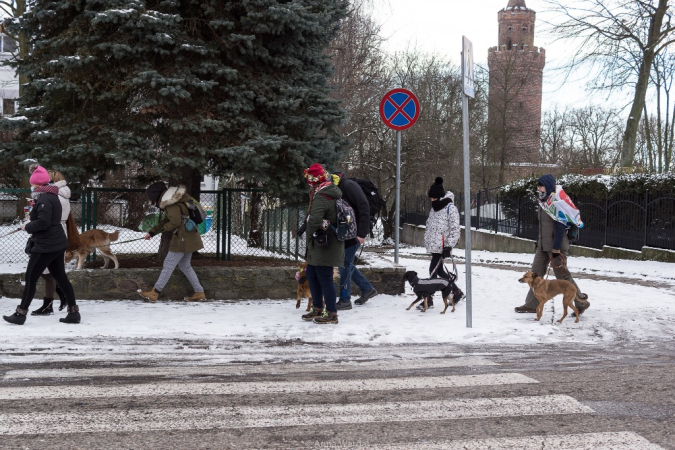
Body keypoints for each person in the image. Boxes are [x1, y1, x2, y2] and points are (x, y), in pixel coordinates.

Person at [3, 166, 80, 325]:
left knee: (31, 277)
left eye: (32, 184)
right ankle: (73, 313)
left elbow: (44, 223)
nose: (31, 187)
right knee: (60, 277)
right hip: (56, 242)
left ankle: (20, 314)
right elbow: (51, 220)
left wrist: (28, 226)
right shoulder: (53, 196)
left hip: (46, 244)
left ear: (37, 185)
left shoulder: (44, 199)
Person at [514, 174, 590, 315]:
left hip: (557, 246)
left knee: (563, 276)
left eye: (541, 185)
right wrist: (540, 242)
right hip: (543, 245)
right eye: (538, 185)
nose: (538, 188)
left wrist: (556, 248)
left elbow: (560, 227)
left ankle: (581, 302)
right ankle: (532, 304)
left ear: (548, 186)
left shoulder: (556, 202)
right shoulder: (543, 201)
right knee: (535, 273)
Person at [138, 182, 206, 302]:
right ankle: (199, 292)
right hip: (189, 235)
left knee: (168, 264)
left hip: (182, 237)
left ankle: (155, 293)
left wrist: (163, 230)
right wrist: (152, 232)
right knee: (185, 265)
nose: (152, 202)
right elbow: (166, 220)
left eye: (151, 199)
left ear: (155, 196)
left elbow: (174, 222)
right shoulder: (172, 201)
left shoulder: (170, 203)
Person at [299, 164, 344, 324]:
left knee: (324, 278)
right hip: (323, 242)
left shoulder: (322, 195)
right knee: (311, 273)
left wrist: (309, 233)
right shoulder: (326, 192)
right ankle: (317, 308)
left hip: (324, 243)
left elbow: (316, 219)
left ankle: (332, 313)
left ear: (314, 181)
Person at [31, 168, 73, 316]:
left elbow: (47, 219)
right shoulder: (58, 195)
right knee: (51, 271)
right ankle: (61, 297)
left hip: (51, 236)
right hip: (54, 234)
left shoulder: (54, 196)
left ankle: (52, 301)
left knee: (48, 272)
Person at [333, 172, 378, 310]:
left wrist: (361, 233)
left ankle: (345, 299)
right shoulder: (339, 187)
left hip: (354, 233)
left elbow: (364, 208)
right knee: (345, 263)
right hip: (346, 232)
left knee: (344, 264)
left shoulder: (349, 186)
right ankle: (366, 288)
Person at [423, 177, 464, 308]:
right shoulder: (434, 208)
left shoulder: (450, 208)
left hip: (442, 247)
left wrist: (448, 246)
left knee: (432, 271)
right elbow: (430, 225)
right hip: (434, 245)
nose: (432, 200)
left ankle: (428, 299)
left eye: (434, 198)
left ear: (440, 197)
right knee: (440, 271)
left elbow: (455, 229)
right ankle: (457, 292)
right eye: (431, 198)